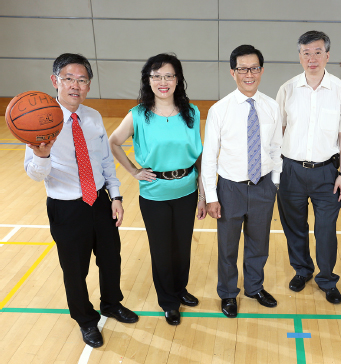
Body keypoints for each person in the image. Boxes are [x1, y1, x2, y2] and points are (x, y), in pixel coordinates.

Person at [24, 53, 138, 348]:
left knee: (111, 258)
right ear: (55, 81)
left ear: (88, 85)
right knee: (75, 269)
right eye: (68, 79)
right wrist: (41, 154)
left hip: (99, 200)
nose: (75, 85)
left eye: (82, 80)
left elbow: (104, 163)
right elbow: (35, 175)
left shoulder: (93, 117)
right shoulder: (38, 122)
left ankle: (112, 304)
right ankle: (86, 320)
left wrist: (116, 195)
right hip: (66, 207)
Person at [109, 53, 206, 326]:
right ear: (148, 80)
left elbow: (198, 156)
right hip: (154, 195)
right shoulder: (138, 115)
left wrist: (202, 194)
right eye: (156, 76)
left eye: (169, 76)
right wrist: (133, 171)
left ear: (178, 80)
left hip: (186, 190)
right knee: (162, 250)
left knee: (182, 248)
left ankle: (180, 289)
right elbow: (113, 142)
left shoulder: (192, 112)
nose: (163, 81)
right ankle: (169, 302)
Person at [201, 44, 282, 318]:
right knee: (228, 246)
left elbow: (276, 148)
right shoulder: (219, 110)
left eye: (255, 68)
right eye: (243, 69)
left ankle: (254, 287)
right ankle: (227, 293)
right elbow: (209, 156)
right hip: (230, 189)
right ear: (233, 72)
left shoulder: (272, 106)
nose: (250, 74)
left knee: (259, 244)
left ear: (261, 70)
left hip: (263, 187)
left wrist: (275, 184)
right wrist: (211, 196)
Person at [276, 30, 341, 304]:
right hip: (291, 171)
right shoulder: (287, 89)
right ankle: (302, 270)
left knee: (325, 229)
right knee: (294, 226)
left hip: (327, 173)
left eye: (318, 52)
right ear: (299, 56)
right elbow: (278, 131)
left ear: (327, 56)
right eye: (306, 53)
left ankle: (327, 278)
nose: (312, 58)